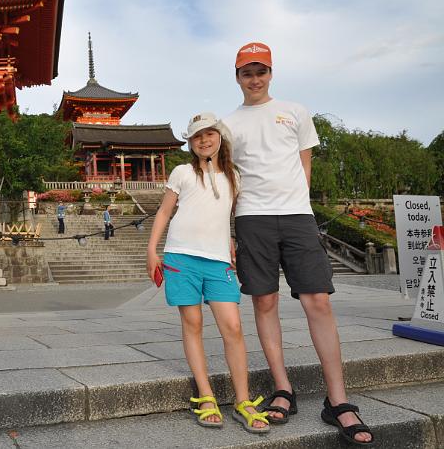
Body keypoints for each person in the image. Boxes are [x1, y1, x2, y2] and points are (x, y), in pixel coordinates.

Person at [223, 42, 373, 445]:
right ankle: (283, 387)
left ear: (271, 73)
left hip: (296, 215)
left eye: (261, 71)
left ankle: (338, 399)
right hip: (252, 216)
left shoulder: (295, 112)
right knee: (265, 301)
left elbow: (304, 161)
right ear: (236, 77)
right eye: (246, 72)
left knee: (317, 300)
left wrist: (300, 202)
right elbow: (229, 180)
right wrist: (230, 233)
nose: (254, 79)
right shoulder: (227, 125)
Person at [147, 112, 269, 434]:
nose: (204, 140)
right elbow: (164, 212)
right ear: (191, 142)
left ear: (219, 137)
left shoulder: (234, 177)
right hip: (180, 257)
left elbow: (231, 215)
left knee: (233, 326)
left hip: (218, 261)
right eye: (197, 136)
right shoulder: (182, 172)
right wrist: (151, 250)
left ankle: (243, 400)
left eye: (209, 134)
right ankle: (206, 396)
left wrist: (231, 241)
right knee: (193, 322)